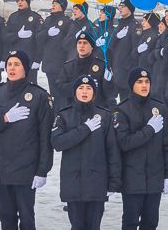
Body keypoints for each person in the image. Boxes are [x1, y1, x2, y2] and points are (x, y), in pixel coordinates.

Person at [0, 50, 54, 230]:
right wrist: (4, 119)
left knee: (27, 218)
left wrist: (42, 170)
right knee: (6, 217)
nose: (12, 68)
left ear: (26, 69)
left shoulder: (39, 96)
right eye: (9, 64)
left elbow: (45, 137)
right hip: (1, 166)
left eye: (17, 64)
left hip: (26, 169)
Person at [52, 75, 122, 230]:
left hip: (97, 182)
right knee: (77, 226)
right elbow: (58, 142)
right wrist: (85, 129)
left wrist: (114, 182)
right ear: (75, 92)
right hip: (73, 181)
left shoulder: (105, 116)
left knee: (93, 226)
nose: (85, 91)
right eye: (81, 88)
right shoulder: (63, 115)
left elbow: (112, 151)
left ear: (94, 93)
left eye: (89, 88)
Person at [114, 67, 168, 230]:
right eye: (139, 82)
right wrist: (149, 130)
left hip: (155, 176)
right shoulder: (122, 110)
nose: (144, 85)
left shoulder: (160, 108)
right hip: (132, 177)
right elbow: (124, 143)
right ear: (131, 85)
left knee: (151, 222)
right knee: (131, 222)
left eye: (147, 82)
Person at [56, 32, 113, 108]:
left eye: (85, 43)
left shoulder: (101, 66)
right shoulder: (68, 66)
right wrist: (78, 85)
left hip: (96, 110)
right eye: (79, 43)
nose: (81, 46)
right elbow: (60, 87)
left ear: (92, 47)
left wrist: (108, 82)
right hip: (74, 109)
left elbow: (110, 92)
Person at [37, 0, 72, 104]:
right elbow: (38, 37)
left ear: (62, 6)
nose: (53, 6)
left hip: (60, 62)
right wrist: (47, 32)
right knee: (53, 90)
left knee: (61, 91)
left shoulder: (67, 22)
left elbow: (69, 42)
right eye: (52, 3)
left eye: (56, 4)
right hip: (49, 61)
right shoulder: (47, 20)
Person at [3, 0, 43, 83]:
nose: (20, 3)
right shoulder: (13, 17)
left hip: (30, 57)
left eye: (22, 0)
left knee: (30, 85)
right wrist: (17, 35)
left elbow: (40, 41)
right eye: (18, 1)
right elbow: (5, 37)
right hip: (15, 57)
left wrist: (37, 60)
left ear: (28, 2)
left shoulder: (36, 18)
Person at [110, 0, 141, 100]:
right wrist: (116, 37)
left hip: (126, 71)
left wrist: (129, 67)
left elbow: (135, 51)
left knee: (127, 101)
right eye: (119, 6)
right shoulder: (120, 24)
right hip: (116, 69)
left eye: (123, 6)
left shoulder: (135, 26)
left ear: (130, 8)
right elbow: (111, 45)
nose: (120, 8)